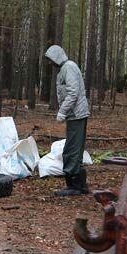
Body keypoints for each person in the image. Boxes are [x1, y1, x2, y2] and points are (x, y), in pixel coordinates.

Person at [44, 44, 90, 196]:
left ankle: (74, 185)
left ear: (56, 57)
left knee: (71, 150)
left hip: (77, 114)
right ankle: (80, 185)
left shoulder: (68, 67)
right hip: (75, 115)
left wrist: (62, 111)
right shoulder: (65, 69)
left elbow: (73, 93)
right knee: (75, 149)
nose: (49, 63)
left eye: (50, 60)